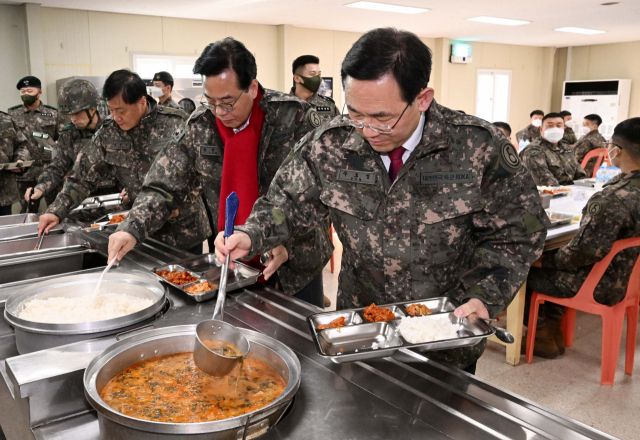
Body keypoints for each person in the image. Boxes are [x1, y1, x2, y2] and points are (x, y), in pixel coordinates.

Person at [214, 28, 548, 372]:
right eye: (356, 113)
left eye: (382, 118)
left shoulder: (478, 147)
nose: (367, 130)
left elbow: (520, 234)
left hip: (444, 333)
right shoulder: (332, 144)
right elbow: (285, 203)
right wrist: (250, 234)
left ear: (422, 98)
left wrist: (485, 295)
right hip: (360, 328)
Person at [107, 38, 333, 308]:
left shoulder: (295, 118)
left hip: (297, 264)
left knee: (299, 341)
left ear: (252, 86)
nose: (219, 112)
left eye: (227, 102)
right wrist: (131, 227)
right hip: (233, 262)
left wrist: (285, 242)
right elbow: (163, 184)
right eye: (211, 101)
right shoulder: (201, 124)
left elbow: (316, 196)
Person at [37, 69, 209, 254]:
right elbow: (82, 176)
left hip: (183, 230)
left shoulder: (176, 123)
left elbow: (200, 173)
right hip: (138, 232)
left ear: (142, 102)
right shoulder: (109, 131)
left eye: (121, 111)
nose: (116, 117)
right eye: (111, 110)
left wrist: (180, 204)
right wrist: (55, 210)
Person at [526, 117, 640, 359]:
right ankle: (552, 327)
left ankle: (541, 334)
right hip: (629, 278)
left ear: (616, 150)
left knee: (526, 269)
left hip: (602, 283)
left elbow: (583, 252)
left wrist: (542, 261)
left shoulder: (612, 198)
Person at [25, 79, 119, 207]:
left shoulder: (114, 129)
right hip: (82, 199)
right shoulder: (69, 133)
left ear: (92, 108)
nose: (73, 118)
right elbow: (57, 167)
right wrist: (40, 188)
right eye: (69, 114)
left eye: (77, 113)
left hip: (115, 198)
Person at [8, 76, 64, 212]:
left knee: (56, 209)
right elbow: (10, 142)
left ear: (39, 93)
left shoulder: (52, 113)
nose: (26, 94)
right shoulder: (13, 114)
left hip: (50, 172)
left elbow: (64, 141)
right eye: (23, 91)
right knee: (28, 210)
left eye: (30, 91)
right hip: (25, 173)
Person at [519, 112, 587, 186]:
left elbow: (580, 174)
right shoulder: (533, 150)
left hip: (570, 191)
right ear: (541, 130)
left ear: (564, 128)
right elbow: (545, 182)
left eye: (558, 125)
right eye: (550, 126)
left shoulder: (565, 146)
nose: (555, 129)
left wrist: (584, 188)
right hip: (549, 194)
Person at [290, 55, 340, 124]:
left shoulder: (329, 105)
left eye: (319, 74)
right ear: (297, 78)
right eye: (312, 74)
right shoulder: (282, 107)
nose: (317, 78)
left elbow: (340, 132)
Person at [0, 111, 30, 216]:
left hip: (4, 193)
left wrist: (20, 160)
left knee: (5, 230)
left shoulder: (6, 119)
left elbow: (22, 145)